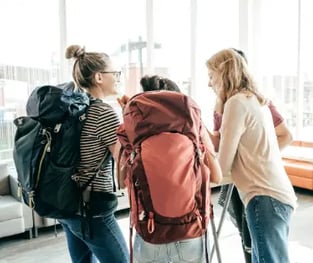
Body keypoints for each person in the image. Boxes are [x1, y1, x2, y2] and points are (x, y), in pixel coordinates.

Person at [117, 75, 222, 263]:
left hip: (150, 231)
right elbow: (216, 176)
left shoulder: (131, 128)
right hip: (191, 229)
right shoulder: (194, 127)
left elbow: (121, 181)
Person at [206, 48, 297, 263]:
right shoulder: (254, 100)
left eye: (211, 77)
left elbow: (224, 164)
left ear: (224, 73)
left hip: (263, 196)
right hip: (274, 195)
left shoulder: (236, 103)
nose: (209, 83)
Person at [60, 44, 130, 263]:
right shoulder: (102, 111)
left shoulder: (73, 107)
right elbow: (124, 160)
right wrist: (130, 118)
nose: (118, 78)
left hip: (67, 202)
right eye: (115, 73)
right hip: (93, 208)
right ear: (99, 77)